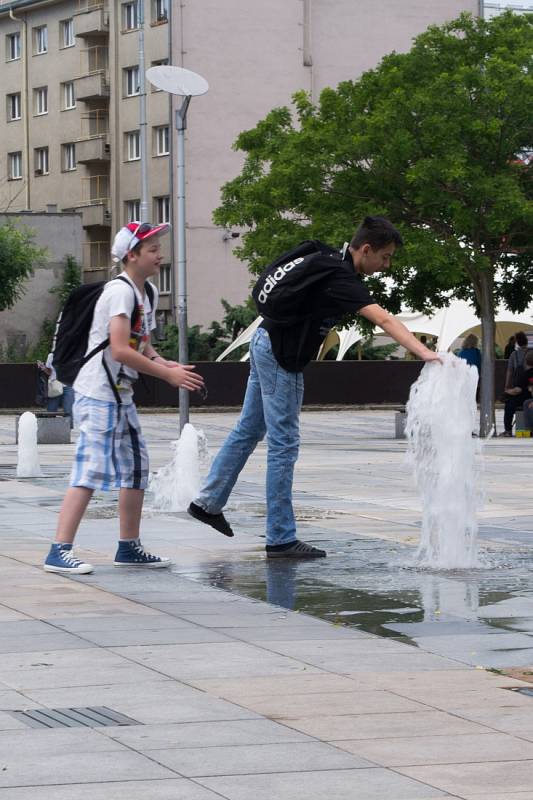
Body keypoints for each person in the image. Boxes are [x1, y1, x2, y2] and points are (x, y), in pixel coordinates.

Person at [188, 216, 440, 559]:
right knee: (284, 443)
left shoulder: (327, 259)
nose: (386, 265)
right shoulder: (342, 277)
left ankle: (208, 502)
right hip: (281, 356)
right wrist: (425, 353)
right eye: (385, 257)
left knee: (248, 429)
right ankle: (280, 537)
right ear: (366, 250)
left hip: (265, 339)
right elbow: (383, 318)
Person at [43, 222, 205, 574]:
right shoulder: (120, 293)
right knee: (90, 469)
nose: (160, 255)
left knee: (135, 468)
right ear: (131, 255)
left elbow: (141, 345)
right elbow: (118, 350)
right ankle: (59, 550)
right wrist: (166, 375)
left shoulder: (144, 292)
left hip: (119, 396)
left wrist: (166, 363)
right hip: (98, 394)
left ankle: (129, 546)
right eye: (152, 249)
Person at [500, 331, 530, 437]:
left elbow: (509, 371)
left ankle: (508, 430)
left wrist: (507, 387)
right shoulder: (531, 353)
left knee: (509, 405)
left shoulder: (514, 354)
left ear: (517, 342)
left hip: (518, 389)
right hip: (528, 391)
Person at [504, 349, 533, 434]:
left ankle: (508, 430)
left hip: (522, 399)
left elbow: (517, 390)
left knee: (509, 404)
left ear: (526, 361)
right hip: (529, 398)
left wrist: (507, 391)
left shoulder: (524, 374)